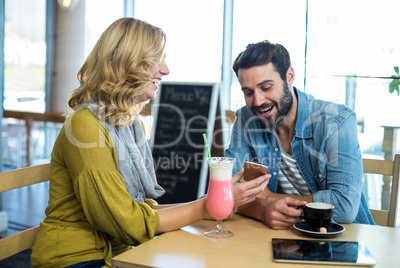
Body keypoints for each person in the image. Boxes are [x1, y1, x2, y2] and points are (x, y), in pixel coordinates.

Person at [31, 18, 269, 268]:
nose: (165, 70)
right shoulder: (85, 125)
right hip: (75, 260)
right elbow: (129, 224)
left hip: (120, 255)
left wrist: (211, 205)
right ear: (129, 61)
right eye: (157, 59)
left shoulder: (126, 123)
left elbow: (140, 211)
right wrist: (205, 207)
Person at [225, 40, 375, 230]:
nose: (258, 101)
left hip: (342, 238)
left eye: (266, 87)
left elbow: (344, 207)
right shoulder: (245, 118)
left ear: (289, 77)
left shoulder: (337, 121)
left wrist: (269, 198)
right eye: (248, 92)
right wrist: (262, 210)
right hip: (280, 237)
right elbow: (229, 192)